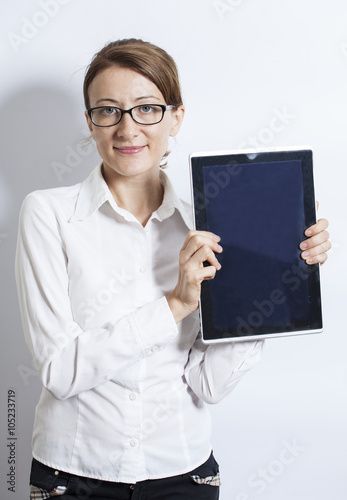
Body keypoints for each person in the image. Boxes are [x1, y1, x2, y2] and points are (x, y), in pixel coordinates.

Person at [15, 38, 331, 500]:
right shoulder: (48, 214)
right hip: (73, 476)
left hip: (185, 476)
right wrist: (175, 304)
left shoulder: (204, 228)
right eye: (108, 110)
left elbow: (208, 384)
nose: (128, 129)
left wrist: (273, 276)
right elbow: (61, 372)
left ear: (176, 117)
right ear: (90, 122)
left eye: (147, 108)